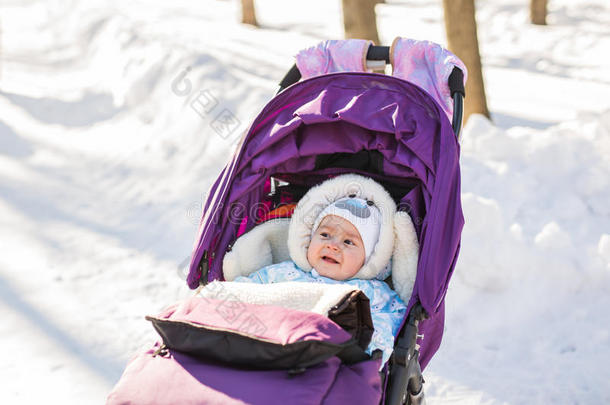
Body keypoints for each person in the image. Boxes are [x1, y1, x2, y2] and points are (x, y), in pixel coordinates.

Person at [233, 180, 408, 367]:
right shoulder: (285, 272)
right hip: (270, 342)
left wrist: (368, 352)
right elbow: (247, 290)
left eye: (348, 242)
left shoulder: (372, 292)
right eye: (325, 235)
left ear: (370, 258)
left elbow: (386, 323)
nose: (332, 245)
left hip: (329, 358)